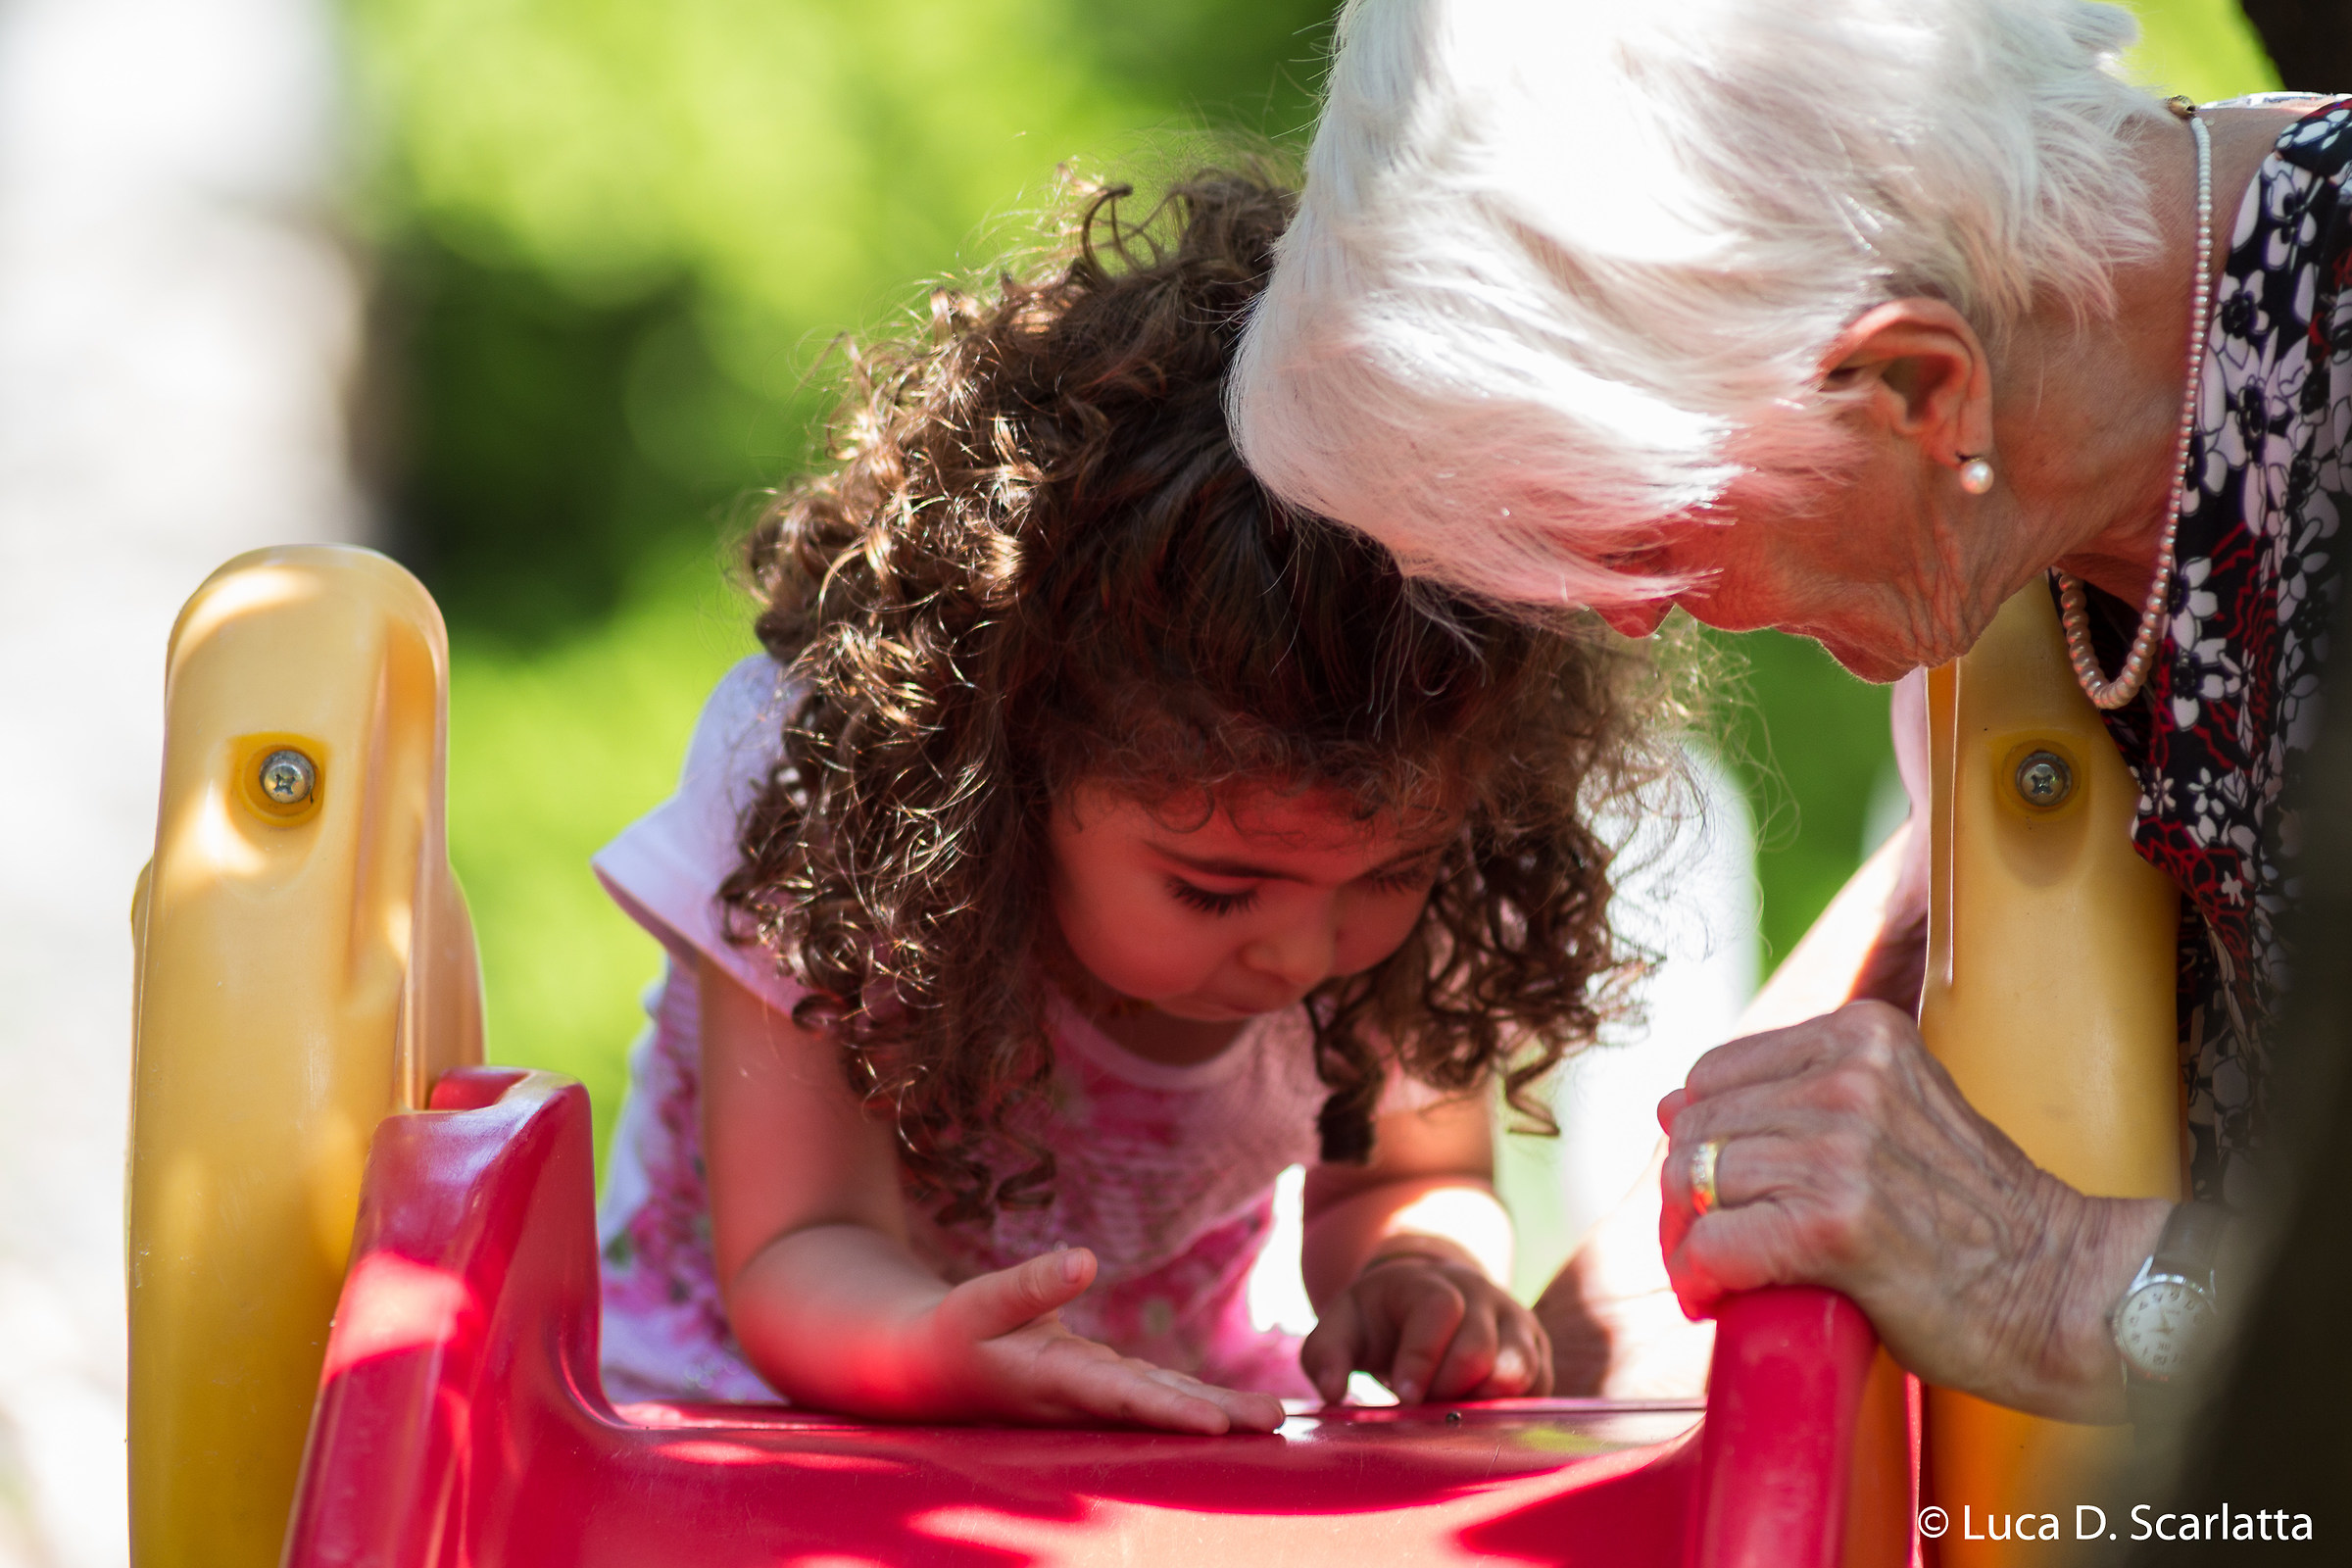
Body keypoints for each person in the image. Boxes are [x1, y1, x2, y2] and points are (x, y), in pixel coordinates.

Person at [1229, 0, 2348, 1422]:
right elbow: (1918, 973)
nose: (1632, 619)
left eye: (1641, 539)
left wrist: (2056, 1276)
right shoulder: (2059, 476)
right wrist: (1557, 1388)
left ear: (1918, 386)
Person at [586, 168, 1675, 1431]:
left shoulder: (1388, 842)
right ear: (1016, 774)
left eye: (1391, 874)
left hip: (1156, 1420)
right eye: (1217, 891)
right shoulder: (841, 836)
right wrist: (950, 1357)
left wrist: (1419, 1272)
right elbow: (800, 1246)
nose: (1303, 952)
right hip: (757, 1420)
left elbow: (1402, 1180)